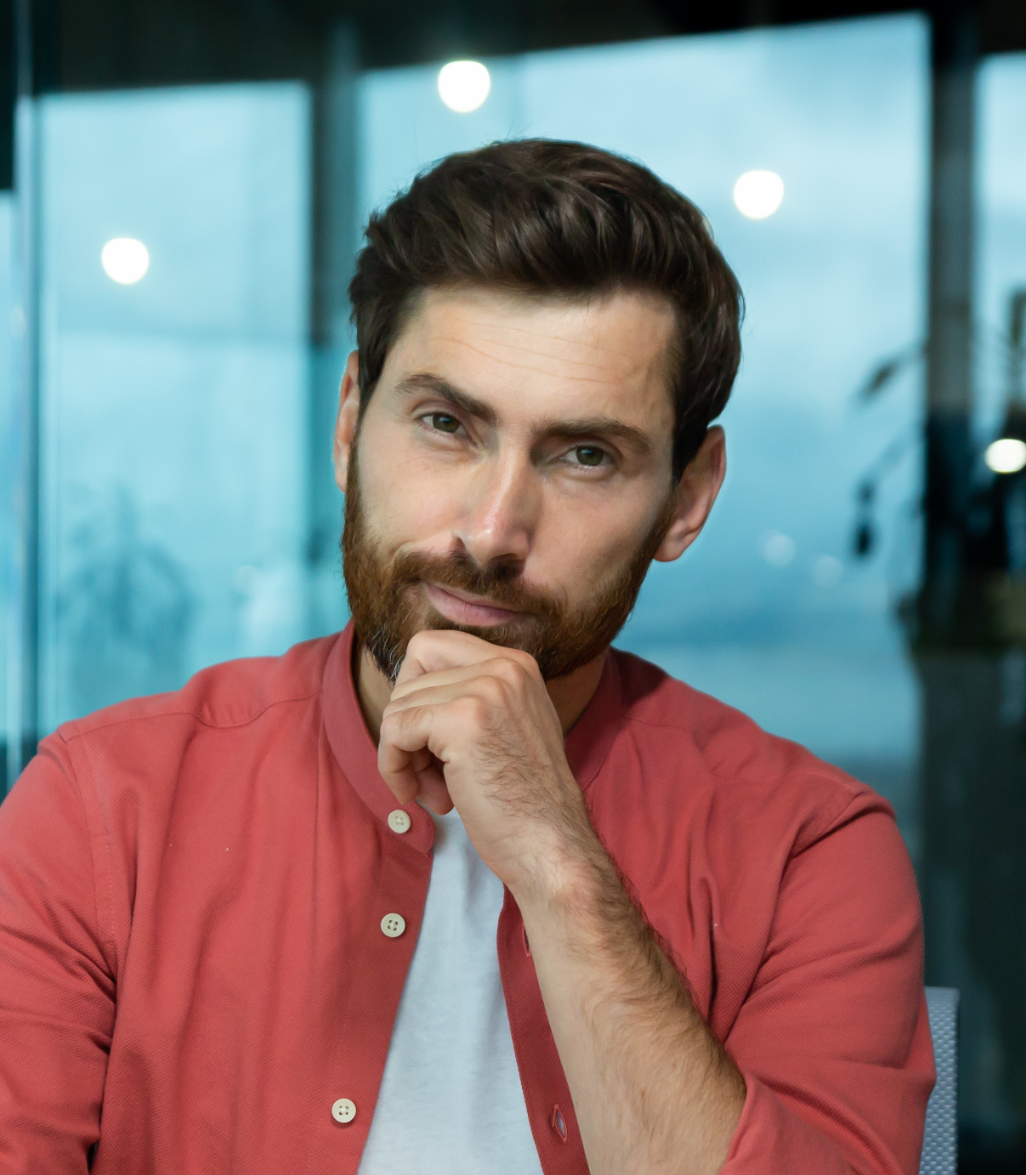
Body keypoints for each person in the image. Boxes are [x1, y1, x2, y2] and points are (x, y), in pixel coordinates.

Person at [0, 139, 933, 1175]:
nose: (492, 530)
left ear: (687, 498)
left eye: (586, 454)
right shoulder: (98, 808)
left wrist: (556, 857)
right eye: (445, 423)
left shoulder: (813, 850)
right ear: (352, 422)